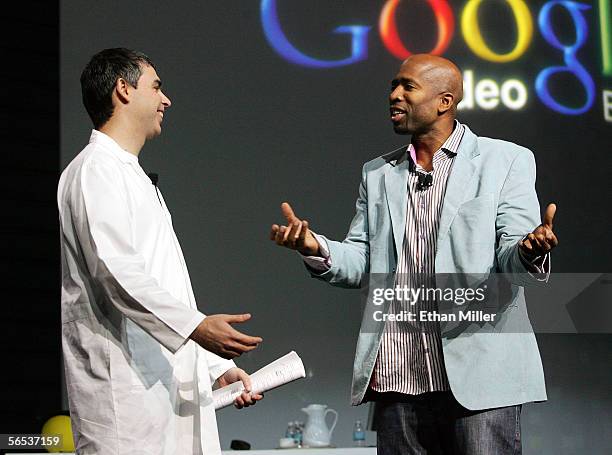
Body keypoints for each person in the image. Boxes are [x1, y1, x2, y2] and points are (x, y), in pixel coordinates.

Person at [270, 54, 558, 454]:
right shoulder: (378, 172)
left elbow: (512, 257)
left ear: (444, 101)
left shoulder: (504, 160)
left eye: (408, 86)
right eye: (393, 86)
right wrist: (315, 247)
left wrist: (529, 251)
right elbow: (362, 261)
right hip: (398, 374)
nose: (394, 95)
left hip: (479, 375)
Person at [58, 48, 263, 455]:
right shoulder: (95, 170)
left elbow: (166, 287)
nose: (165, 99)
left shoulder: (133, 176)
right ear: (123, 89)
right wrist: (196, 328)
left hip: (168, 388)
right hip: (126, 397)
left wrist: (213, 366)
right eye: (156, 87)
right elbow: (115, 273)